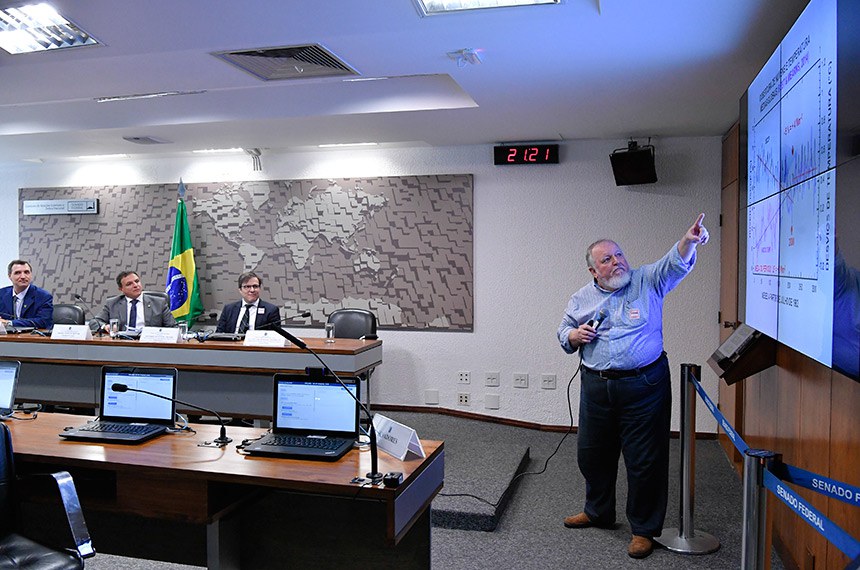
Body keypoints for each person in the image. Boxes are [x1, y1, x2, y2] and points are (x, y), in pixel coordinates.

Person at [556, 213, 709, 560]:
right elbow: (563, 331)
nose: (617, 262)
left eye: (619, 255)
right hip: (596, 387)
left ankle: (643, 529)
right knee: (592, 454)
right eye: (607, 260)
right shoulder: (581, 298)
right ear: (593, 271)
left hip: (644, 386)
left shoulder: (647, 281)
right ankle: (597, 511)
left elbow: (674, 263)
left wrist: (688, 241)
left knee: (645, 460)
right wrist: (574, 335)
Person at [96, 271, 177, 331]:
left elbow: (173, 327)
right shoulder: (112, 303)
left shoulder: (159, 303)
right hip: (122, 343)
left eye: (137, 281)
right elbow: (95, 322)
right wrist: (105, 326)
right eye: (129, 284)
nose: (135, 285)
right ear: (121, 289)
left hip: (149, 344)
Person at [216, 272, 281, 333]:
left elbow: (275, 336)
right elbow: (218, 334)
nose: (252, 290)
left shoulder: (271, 310)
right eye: (247, 287)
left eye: (255, 286)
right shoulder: (228, 309)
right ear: (240, 290)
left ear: (259, 288)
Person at [0, 259, 53, 329]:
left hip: (32, 335)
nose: (23, 276)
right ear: (9, 276)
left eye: (26, 272)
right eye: (17, 273)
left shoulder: (43, 296)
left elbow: (43, 322)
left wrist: (9, 323)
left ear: (31, 275)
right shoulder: (1, 294)